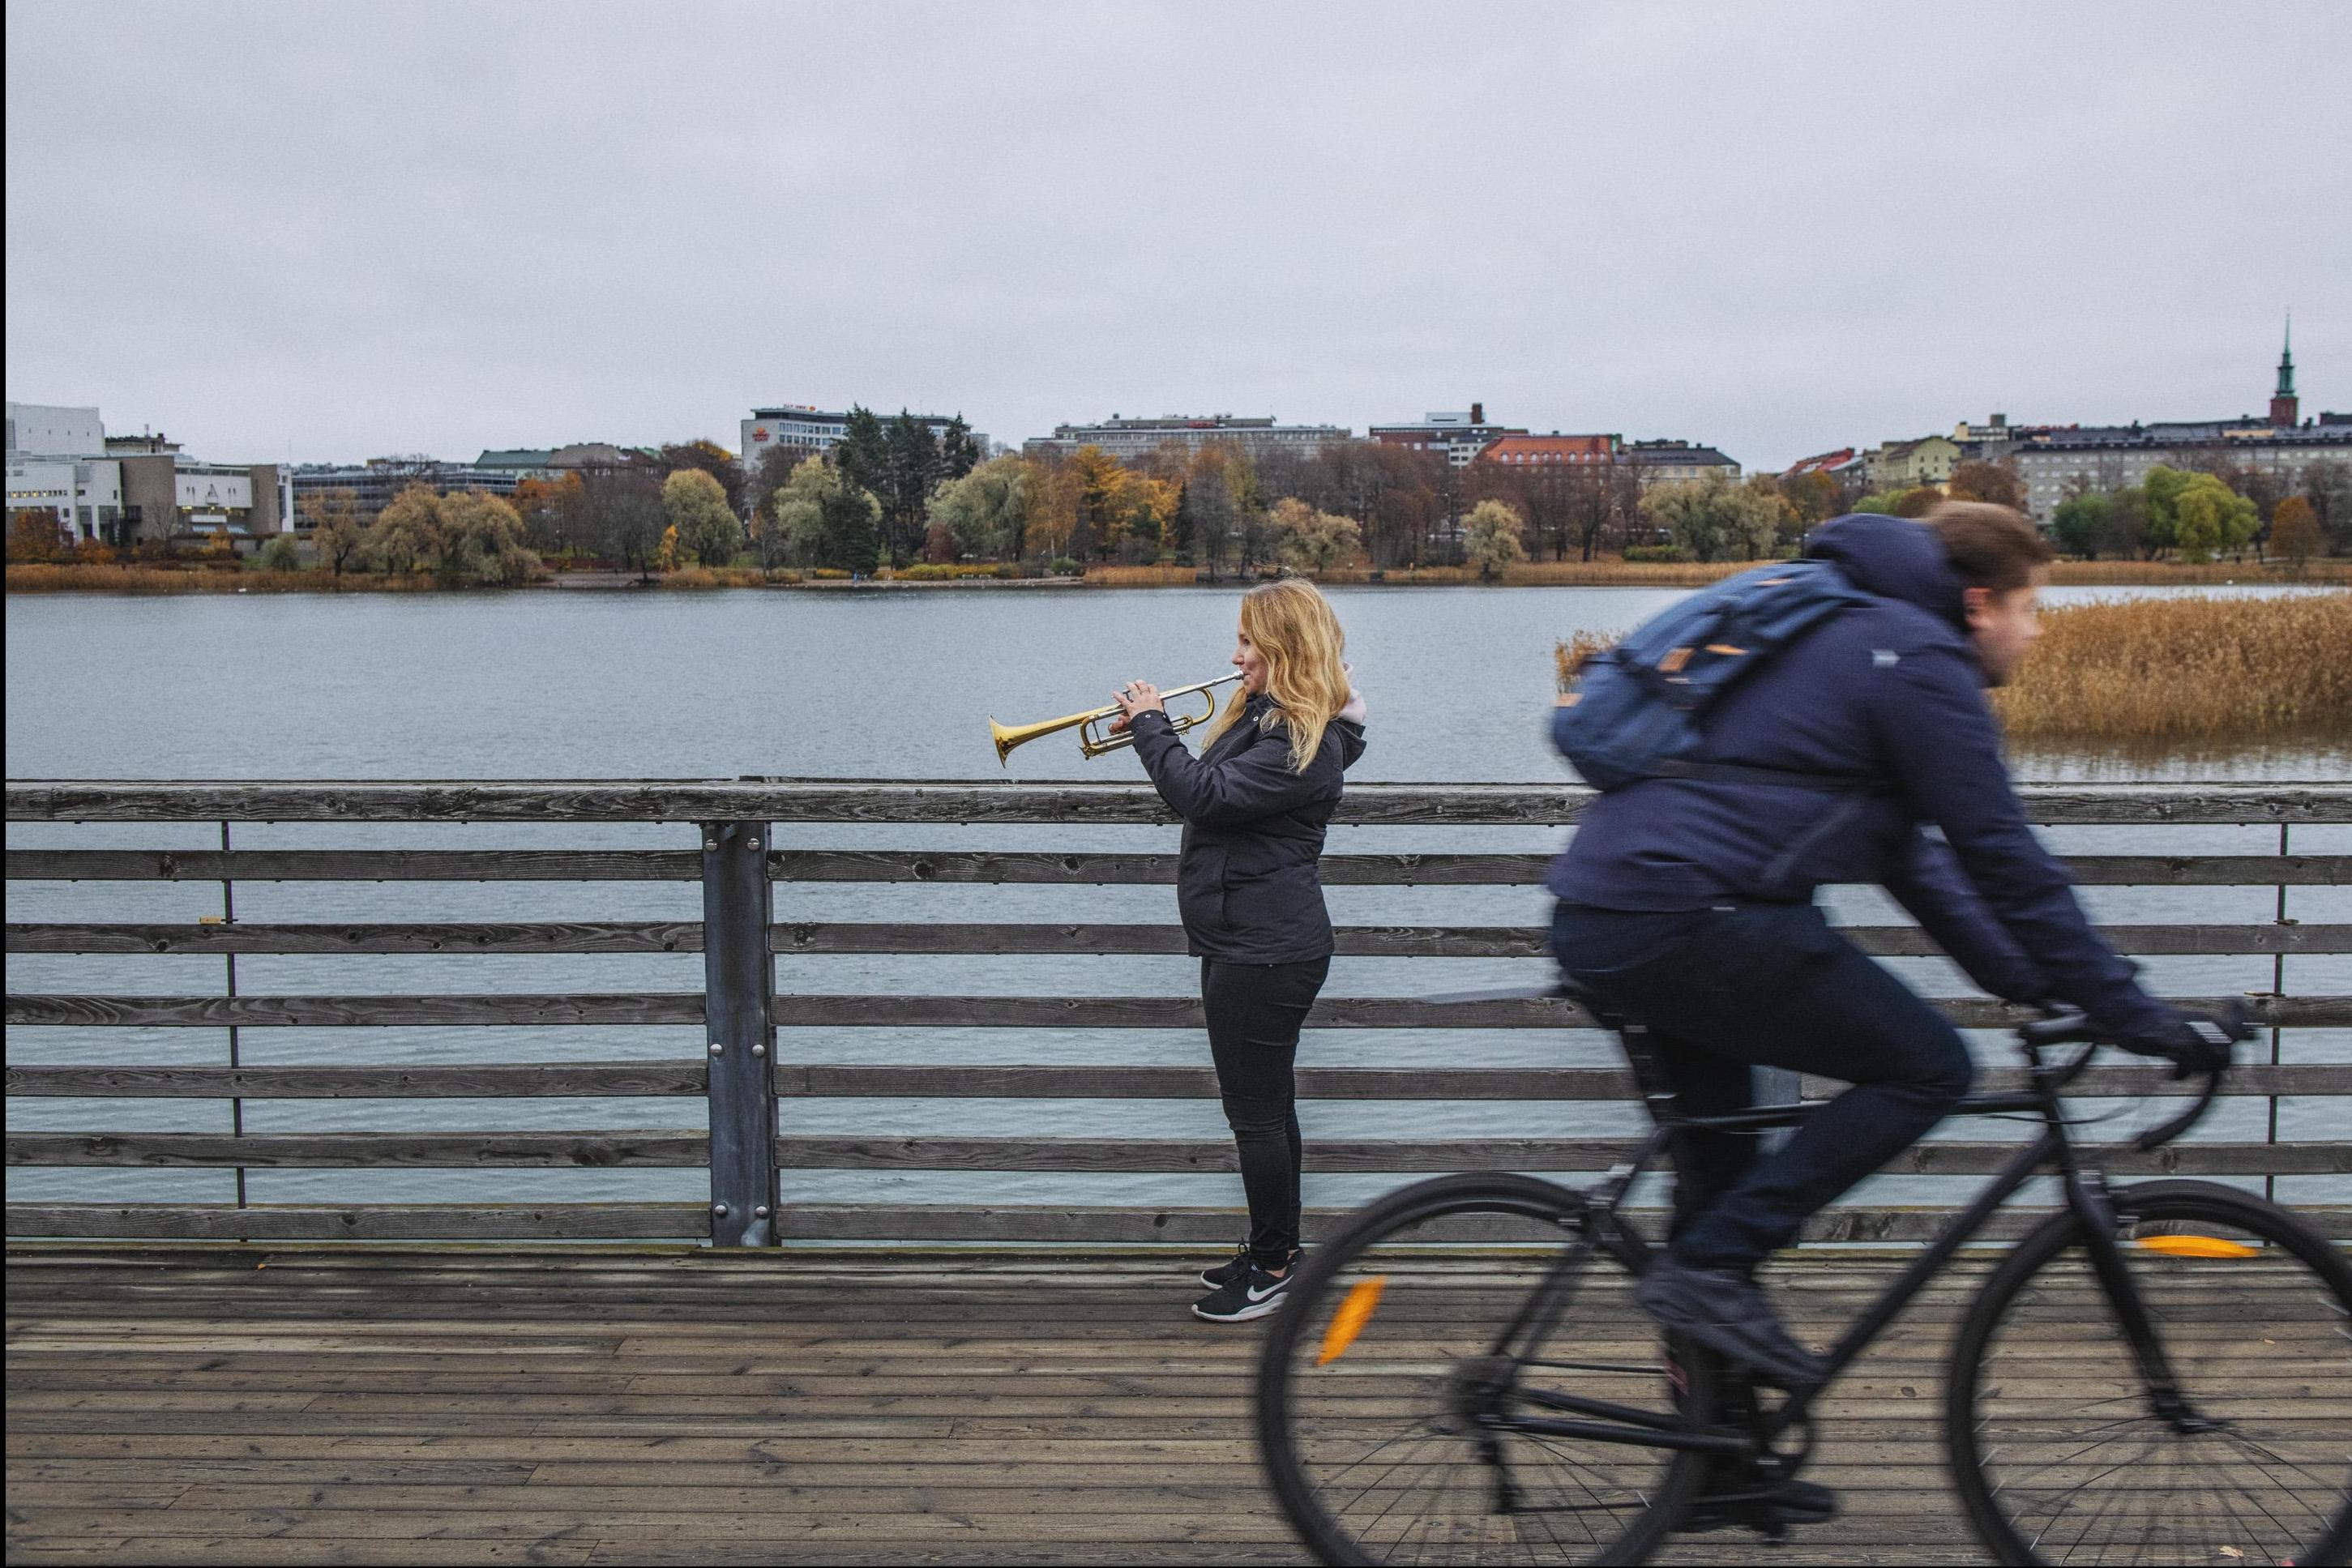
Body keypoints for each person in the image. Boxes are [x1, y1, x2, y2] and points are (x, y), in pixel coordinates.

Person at [1550, 503, 2240, 1395]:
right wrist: (2127, 1010)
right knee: (1927, 1067)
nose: (2034, 634)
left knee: (1721, 1178)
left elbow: (1914, 861)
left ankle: (1719, 1459)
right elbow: (2004, 855)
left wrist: (2034, 985)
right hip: (1689, 917)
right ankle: (1707, 1272)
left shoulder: (1851, 630)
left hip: (1620, 910)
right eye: (2031, 609)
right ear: (1981, 602)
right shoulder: (1915, 658)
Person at [1111, 579, 1366, 1323]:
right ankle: (1272, 1247)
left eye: (1250, 642)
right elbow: (1216, 784)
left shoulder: (1304, 742)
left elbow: (1205, 796)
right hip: (1247, 935)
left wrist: (1151, 725)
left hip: (1266, 947)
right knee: (1269, 1107)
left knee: (1253, 1115)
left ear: (1285, 648)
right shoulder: (1271, 719)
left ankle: (1276, 1268)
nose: (1236, 655)